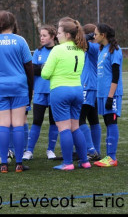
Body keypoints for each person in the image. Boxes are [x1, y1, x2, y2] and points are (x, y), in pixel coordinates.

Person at [0, 10, 34, 173]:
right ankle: (19, 164)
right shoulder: (20, 41)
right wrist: (30, 91)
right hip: (19, 86)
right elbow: (29, 68)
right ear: (13, 24)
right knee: (18, 125)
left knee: (4, 125)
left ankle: (4, 164)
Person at [41, 17, 91, 171]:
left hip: (60, 90)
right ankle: (84, 161)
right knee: (75, 127)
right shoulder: (81, 49)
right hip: (77, 90)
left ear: (68, 34)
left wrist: (45, 68)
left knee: (64, 128)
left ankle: (68, 163)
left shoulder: (57, 49)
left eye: (60, 33)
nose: (57, 36)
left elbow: (45, 74)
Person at [23, 25, 59, 161]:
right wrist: (45, 67)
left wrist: (41, 67)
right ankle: (29, 151)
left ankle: (50, 150)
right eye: (41, 35)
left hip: (54, 91)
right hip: (39, 92)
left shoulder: (58, 51)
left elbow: (54, 70)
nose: (41, 38)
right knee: (37, 121)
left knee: (53, 121)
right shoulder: (38, 52)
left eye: (44, 35)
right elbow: (33, 69)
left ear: (52, 36)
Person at [92, 23, 123, 168]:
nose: (94, 36)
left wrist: (111, 96)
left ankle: (112, 157)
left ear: (103, 35)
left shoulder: (114, 50)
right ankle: (108, 156)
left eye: (96, 33)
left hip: (111, 94)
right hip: (102, 93)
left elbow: (115, 76)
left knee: (111, 123)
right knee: (107, 122)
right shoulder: (102, 49)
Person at [79, 23, 102, 161]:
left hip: (87, 86)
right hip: (93, 86)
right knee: (93, 119)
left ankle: (91, 149)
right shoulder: (96, 48)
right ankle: (96, 150)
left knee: (79, 119)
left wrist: (86, 36)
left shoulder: (92, 47)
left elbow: (81, 40)